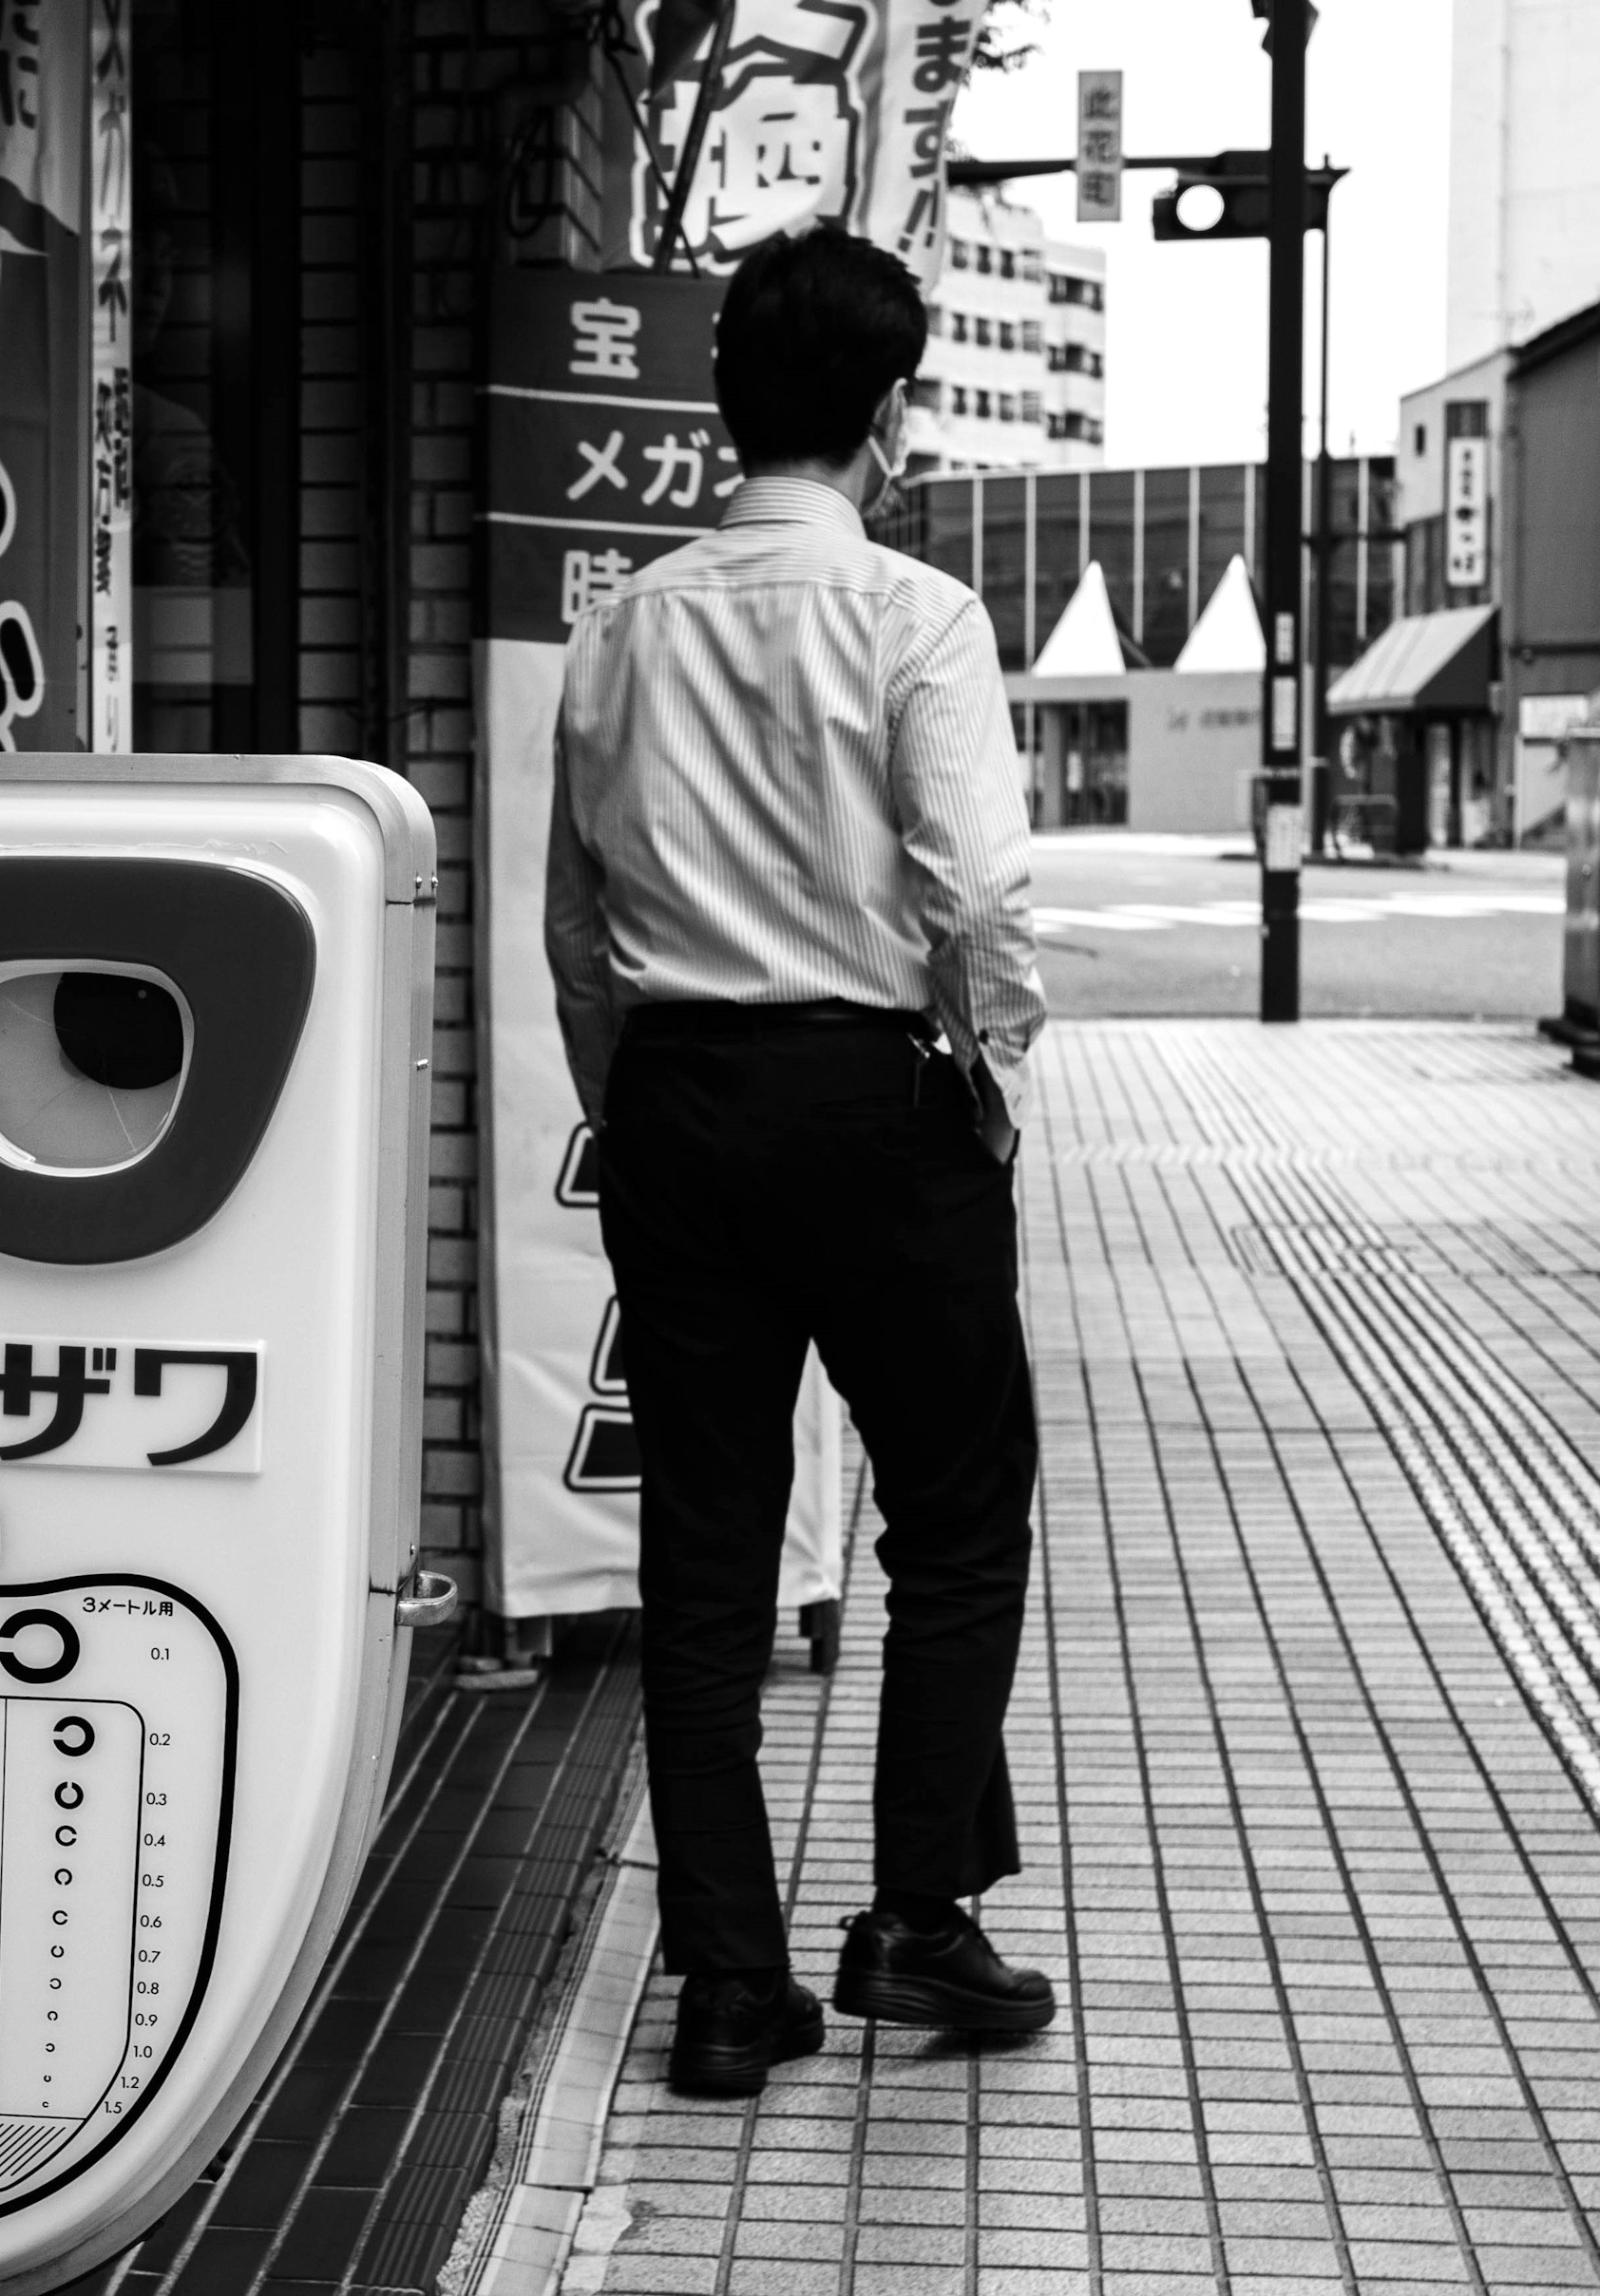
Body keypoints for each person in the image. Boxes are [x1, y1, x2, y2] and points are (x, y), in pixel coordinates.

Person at [544, 224, 1054, 2097]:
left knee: (701, 1558)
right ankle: (917, 1920)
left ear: (721, 404)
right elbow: (981, 887)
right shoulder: (913, 613)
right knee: (958, 1518)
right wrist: (987, 1075)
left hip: (680, 1103)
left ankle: (729, 1985)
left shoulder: (622, 623)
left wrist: (636, 1104)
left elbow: (575, 925)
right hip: (875, 1099)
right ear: (891, 413)